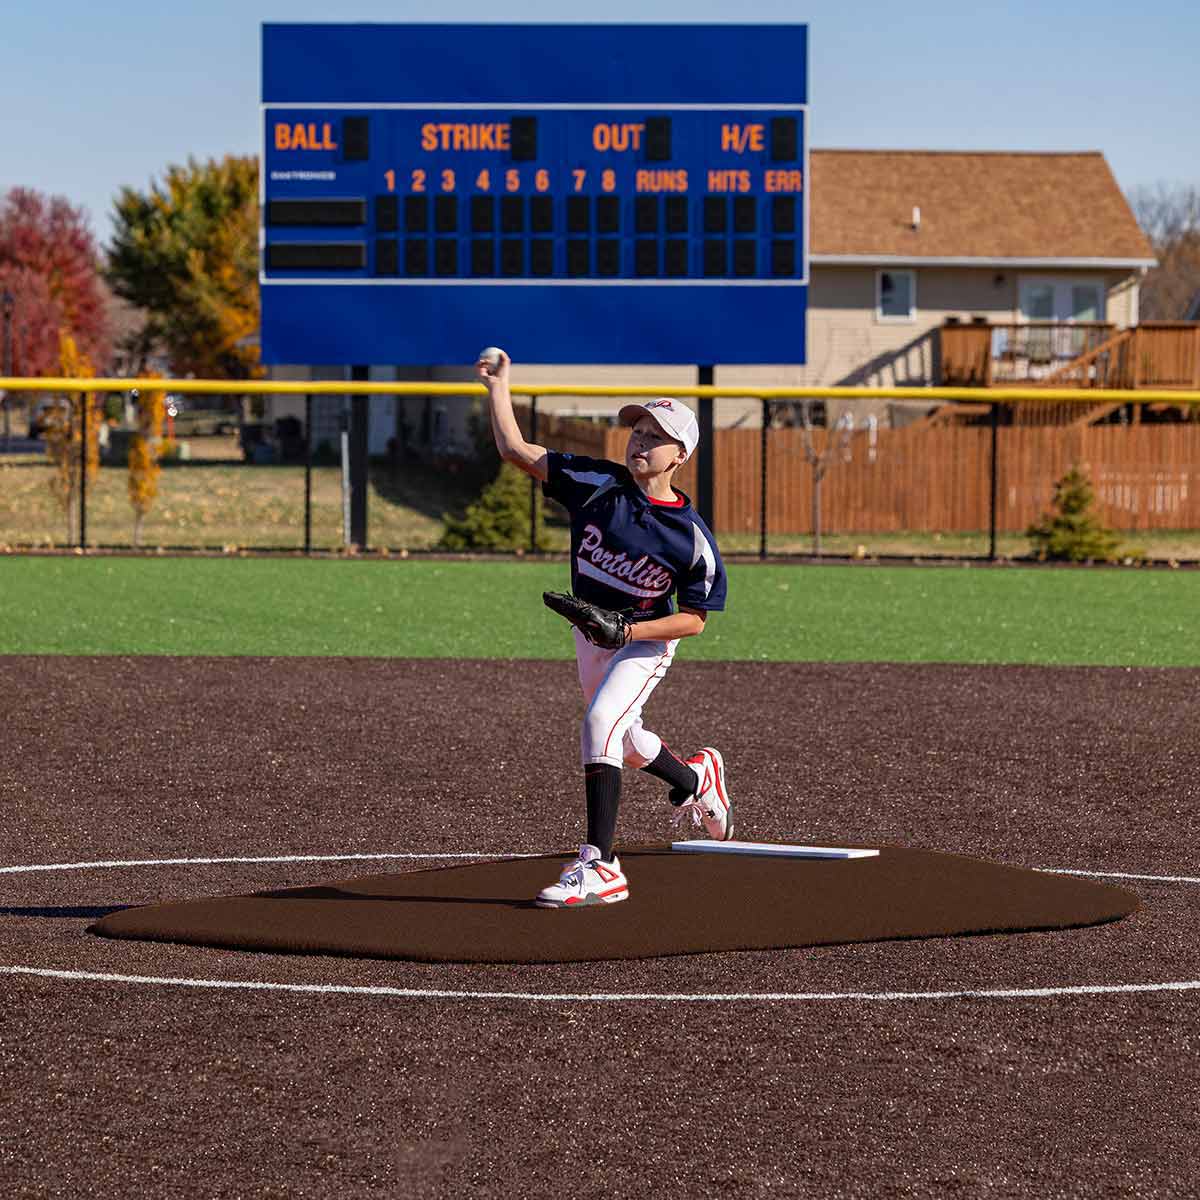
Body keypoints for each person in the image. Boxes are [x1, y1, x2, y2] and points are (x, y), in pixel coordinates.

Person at [476, 349, 731, 909]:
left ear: (680, 454)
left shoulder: (690, 537)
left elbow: (694, 619)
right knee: (626, 738)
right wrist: (500, 386)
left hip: (646, 640)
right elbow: (515, 450)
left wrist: (628, 633)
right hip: (593, 634)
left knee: (599, 722)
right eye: (637, 429)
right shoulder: (597, 483)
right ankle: (695, 780)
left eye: (656, 434)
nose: (640, 440)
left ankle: (601, 864)